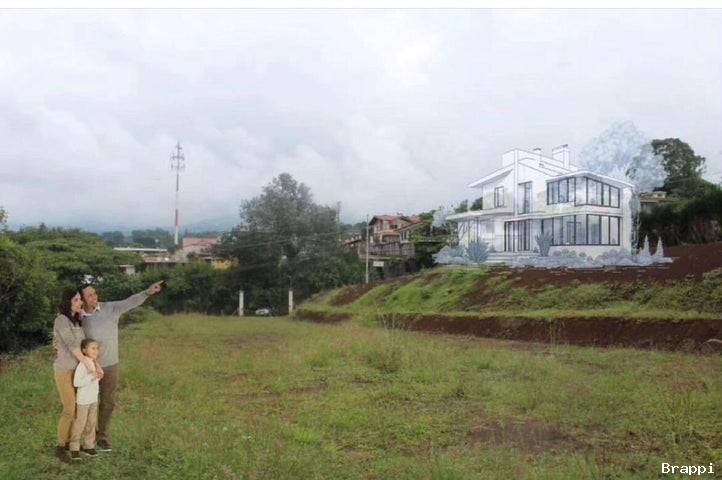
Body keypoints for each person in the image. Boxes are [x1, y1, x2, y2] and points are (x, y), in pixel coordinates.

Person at [79, 281, 163, 451]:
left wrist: (147, 292)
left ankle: (101, 436)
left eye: (95, 293)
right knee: (88, 403)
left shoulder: (110, 308)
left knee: (108, 402)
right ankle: (86, 437)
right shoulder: (79, 317)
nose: (94, 297)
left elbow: (129, 302)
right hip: (89, 367)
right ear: (82, 299)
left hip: (111, 365)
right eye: (90, 295)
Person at [52, 288, 100, 463]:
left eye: (80, 299)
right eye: (76, 300)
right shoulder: (61, 320)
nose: (80, 302)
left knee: (79, 409)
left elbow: (86, 349)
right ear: (67, 303)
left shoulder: (77, 322)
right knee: (69, 409)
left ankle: (72, 443)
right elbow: (72, 345)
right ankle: (60, 447)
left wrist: (96, 365)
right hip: (65, 371)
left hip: (79, 371)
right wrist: (88, 365)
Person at [69, 338, 101, 461]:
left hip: (93, 399)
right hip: (83, 401)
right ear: (84, 350)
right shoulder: (82, 365)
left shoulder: (94, 363)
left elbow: (94, 381)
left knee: (91, 423)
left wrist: (98, 377)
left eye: (97, 348)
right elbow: (76, 383)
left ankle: (89, 446)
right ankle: (74, 448)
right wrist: (91, 377)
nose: (96, 350)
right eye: (93, 348)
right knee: (80, 424)